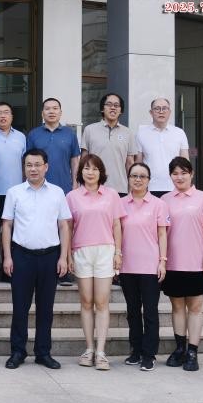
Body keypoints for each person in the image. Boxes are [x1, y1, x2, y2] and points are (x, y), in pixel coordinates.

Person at [1, 148, 71, 370]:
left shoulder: (57, 192)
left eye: (37, 165)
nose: (33, 169)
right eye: (29, 165)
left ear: (46, 167)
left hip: (50, 256)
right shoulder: (14, 192)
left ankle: (43, 352)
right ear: (24, 168)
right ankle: (18, 352)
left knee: (45, 308)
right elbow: (7, 225)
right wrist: (7, 257)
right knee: (20, 307)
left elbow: (64, 226)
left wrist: (63, 257)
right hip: (21, 256)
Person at [66, 154, 125, 370]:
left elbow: (117, 225)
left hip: (105, 251)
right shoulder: (72, 196)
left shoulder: (112, 195)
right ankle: (89, 349)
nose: (90, 173)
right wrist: (67, 255)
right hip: (81, 251)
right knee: (86, 302)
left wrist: (118, 252)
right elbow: (68, 228)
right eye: (86, 168)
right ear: (80, 172)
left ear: (101, 172)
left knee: (102, 302)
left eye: (94, 169)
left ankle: (101, 352)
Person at [161, 156, 203, 372]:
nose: (179, 177)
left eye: (183, 172)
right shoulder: (165, 200)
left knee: (195, 308)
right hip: (173, 263)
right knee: (177, 307)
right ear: (170, 176)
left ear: (191, 174)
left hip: (197, 263)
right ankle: (180, 349)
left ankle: (192, 351)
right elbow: (160, 232)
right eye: (175, 173)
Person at [119, 162, 169, 372]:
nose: (138, 180)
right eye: (134, 176)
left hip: (150, 266)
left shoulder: (158, 204)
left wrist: (163, 261)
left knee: (150, 312)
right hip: (127, 267)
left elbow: (162, 234)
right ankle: (136, 351)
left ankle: (149, 354)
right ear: (128, 178)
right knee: (132, 311)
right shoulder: (120, 203)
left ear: (149, 180)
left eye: (142, 176)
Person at [27, 97, 81, 287]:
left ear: (60, 112)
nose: (51, 111)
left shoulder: (69, 134)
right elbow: (28, 161)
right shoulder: (34, 134)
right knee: (42, 226)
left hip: (64, 188)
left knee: (63, 228)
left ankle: (63, 270)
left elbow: (75, 160)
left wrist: (75, 184)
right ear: (42, 113)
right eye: (47, 108)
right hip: (38, 189)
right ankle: (43, 270)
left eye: (55, 108)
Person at [0, 101, 26, 284]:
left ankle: (10, 270)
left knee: (14, 232)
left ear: (12, 116)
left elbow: (25, 164)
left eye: (6, 112)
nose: (2, 116)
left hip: (16, 193)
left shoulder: (21, 137)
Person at [81, 93, 137, 196]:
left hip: (120, 188)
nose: (113, 108)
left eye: (116, 105)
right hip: (94, 187)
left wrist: (131, 189)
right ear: (102, 109)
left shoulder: (128, 133)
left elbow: (130, 163)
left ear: (121, 110)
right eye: (109, 104)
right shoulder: (89, 130)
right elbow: (84, 160)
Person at [135, 98, 190, 197]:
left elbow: (185, 162)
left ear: (169, 112)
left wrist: (186, 186)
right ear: (151, 112)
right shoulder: (141, 133)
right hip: (149, 188)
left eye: (164, 108)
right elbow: (138, 164)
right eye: (157, 108)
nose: (161, 111)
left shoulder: (179, 133)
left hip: (174, 187)